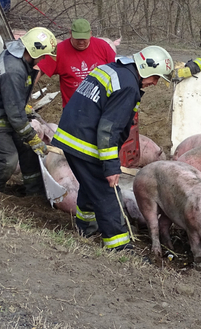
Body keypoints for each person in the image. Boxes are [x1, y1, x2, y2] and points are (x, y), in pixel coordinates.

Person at [52, 46, 174, 250]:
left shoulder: (113, 69)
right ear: (145, 68)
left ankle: (86, 226)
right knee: (107, 191)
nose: (155, 83)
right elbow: (109, 129)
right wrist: (110, 167)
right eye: (155, 77)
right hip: (85, 143)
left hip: (71, 136)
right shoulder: (128, 87)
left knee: (90, 185)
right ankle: (118, 244)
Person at [0, 27, 57, 196]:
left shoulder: (17, 57)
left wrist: (21, 106)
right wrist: (33, 138)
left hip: (0, 112)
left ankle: (34, 191)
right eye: (43, 55)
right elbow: (15, 115)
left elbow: (12, 101)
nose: (44, 59)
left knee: (27, 149)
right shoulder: (13, 70)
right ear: (34, 52)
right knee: (8, 158)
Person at [37, 19, 117, 108]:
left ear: (90, 34)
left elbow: (117, 73)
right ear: (70, 33)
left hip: (101, 108)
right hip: (73, 110)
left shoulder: (103, 47)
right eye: (78, 39)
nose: (81, 42)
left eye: (84, 39)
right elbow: (38, 69)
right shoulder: (60, 50)